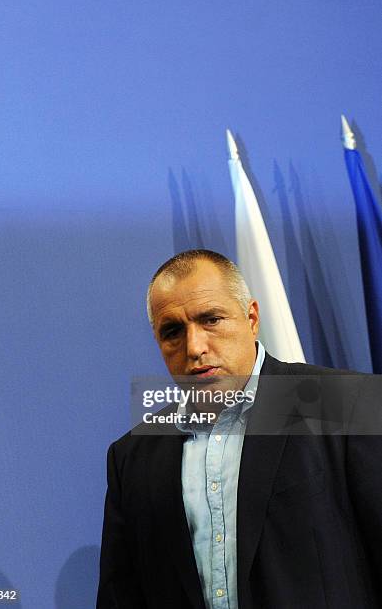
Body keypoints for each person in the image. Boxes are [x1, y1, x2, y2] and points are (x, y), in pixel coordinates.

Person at [97, 249, 382, 608]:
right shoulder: (131, 458)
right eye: (173, 331)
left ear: (251, 318)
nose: (195, 347)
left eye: (211, 320)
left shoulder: (346, 405)